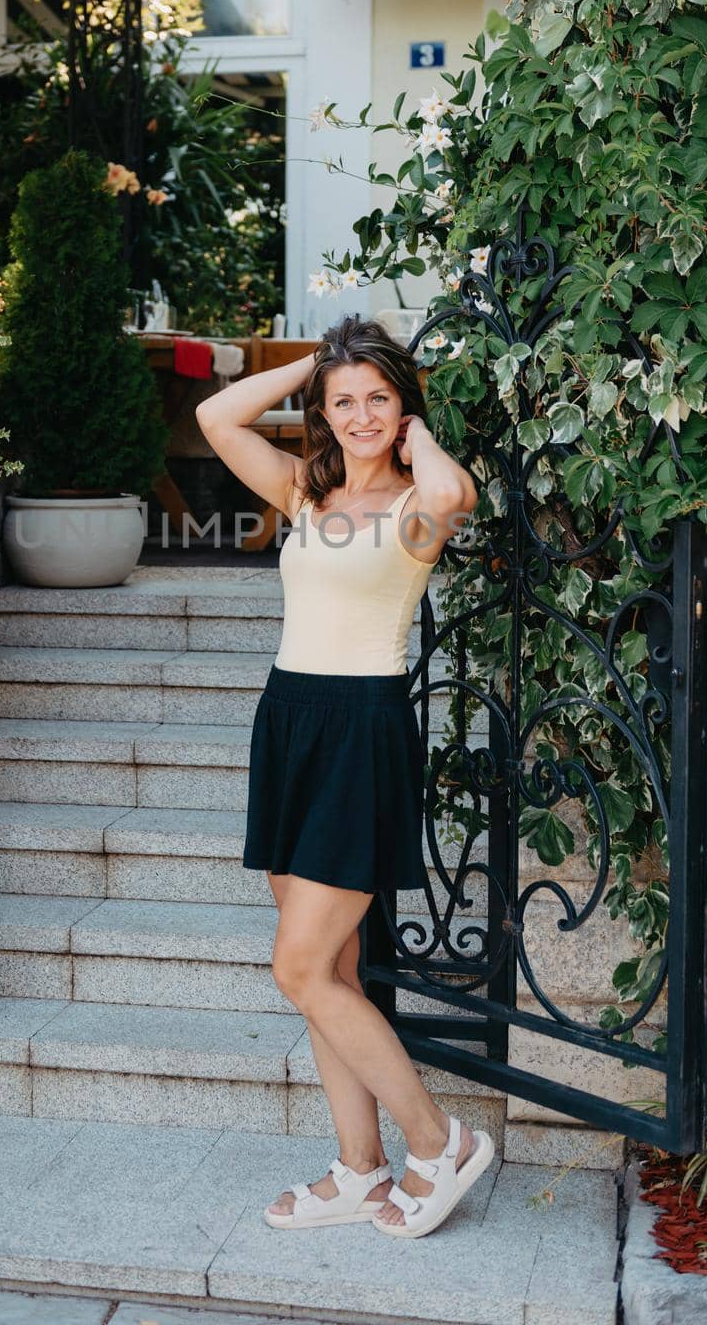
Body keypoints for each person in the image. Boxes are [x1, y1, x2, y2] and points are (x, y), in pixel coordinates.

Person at [196, 313, 494, 1238]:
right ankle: (360, 1168)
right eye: (345, 402)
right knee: (327, 964)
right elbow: (216, 415)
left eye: (379, 398)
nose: (361, 415)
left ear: (402, 407)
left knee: (297, 965)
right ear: (324, 413)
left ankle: (439, 1144)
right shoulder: (304, 495)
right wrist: (310, 370)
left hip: (362, 730)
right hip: (289, 721)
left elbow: (458, 490)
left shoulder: (415, 503)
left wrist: (416, 430)